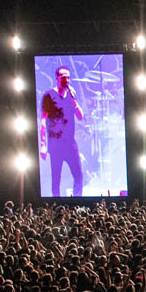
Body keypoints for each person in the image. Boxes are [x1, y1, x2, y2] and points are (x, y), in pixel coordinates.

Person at [39, 65, 85, 196]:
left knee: (78, 175)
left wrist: (74, 101)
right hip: (55, 144)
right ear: (57, 79)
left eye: (69, 78)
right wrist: (43, 145)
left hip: (70, 144)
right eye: (64, 78)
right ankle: (57, 206)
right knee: (56, 179)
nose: (67, 80)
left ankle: (77, 202)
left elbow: (80, 117)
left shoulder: (71, 96)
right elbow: (43, 120)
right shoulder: (49, 96)